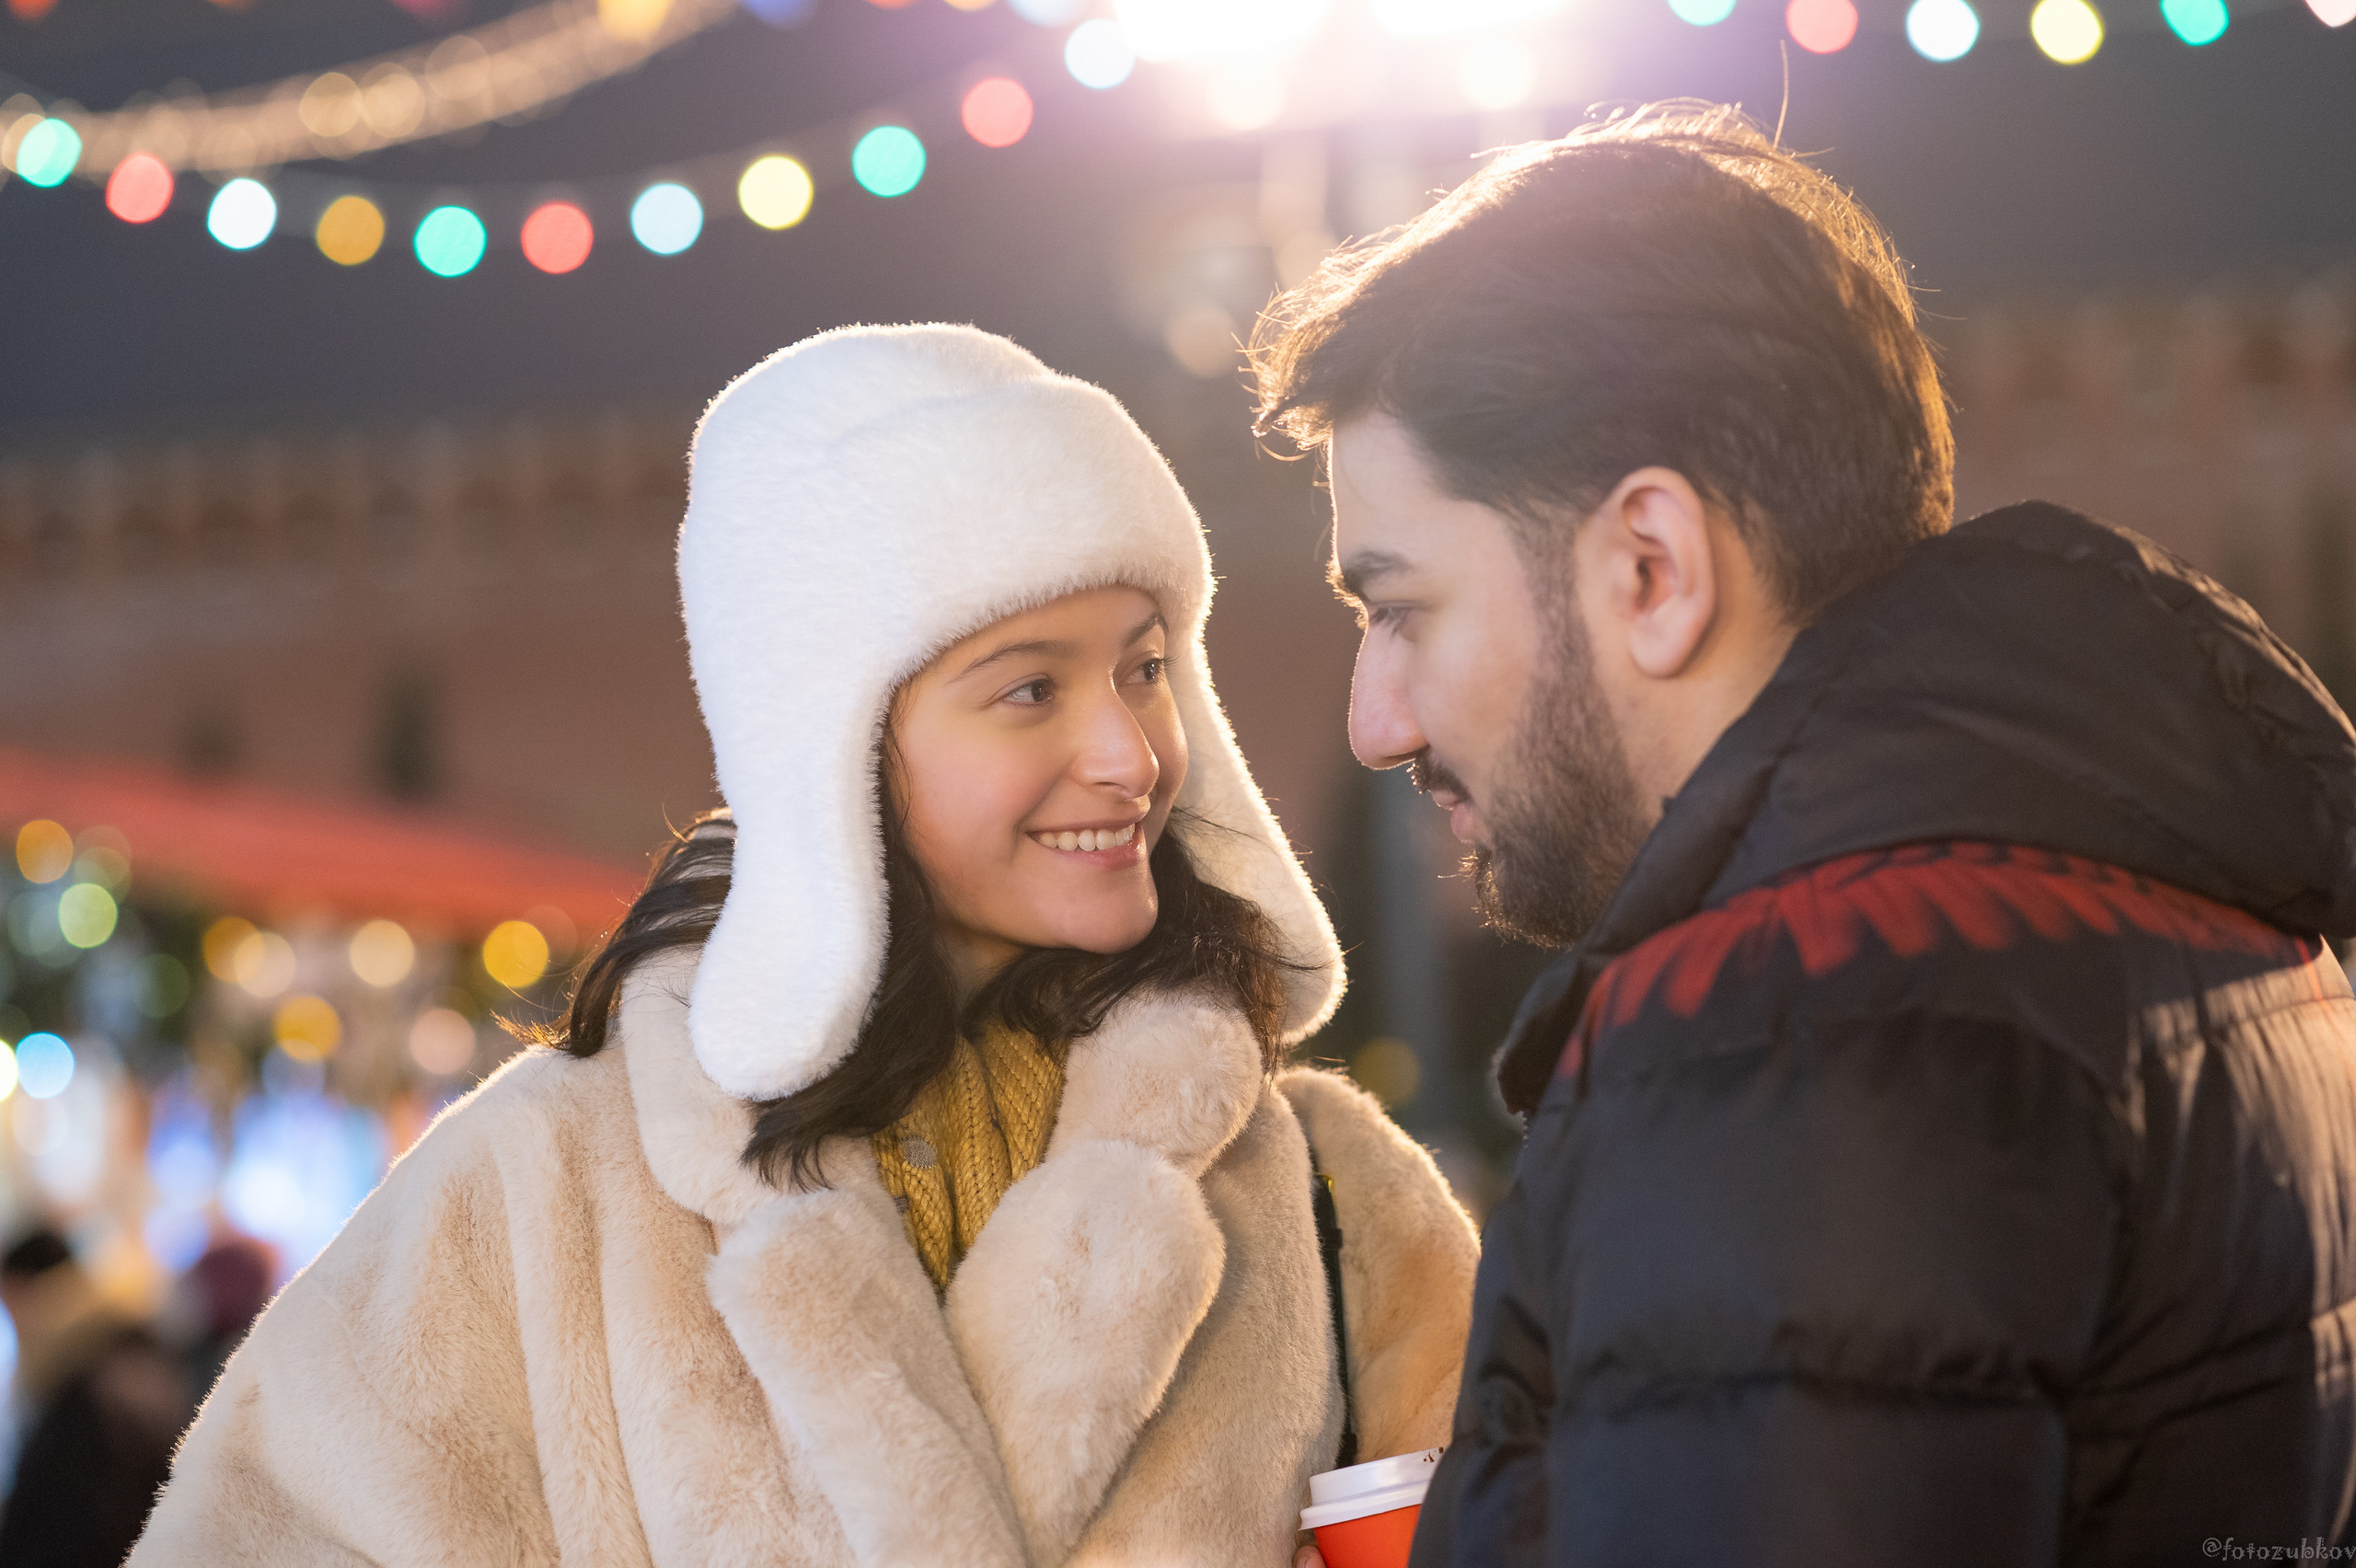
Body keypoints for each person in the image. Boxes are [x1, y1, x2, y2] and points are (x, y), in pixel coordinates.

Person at [129, 324, 1479, 1565]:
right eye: (1030, 689)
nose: (1129, 754)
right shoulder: (539, 1193)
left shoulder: (1333, 1197)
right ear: (833, 747)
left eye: (1145, 667)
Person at [1251, 104, 2356, 1561]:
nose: (1375, 722)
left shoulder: (1795, 1026)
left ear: (1651, 567)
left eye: (1403, 609)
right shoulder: (2188, 905)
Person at [0, 1228, 191, 1568]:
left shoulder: (85, 1376)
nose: (15, 1325)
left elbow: (65, 1520)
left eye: (11, 1305)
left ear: (31, 1292)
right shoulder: (123, 1349)